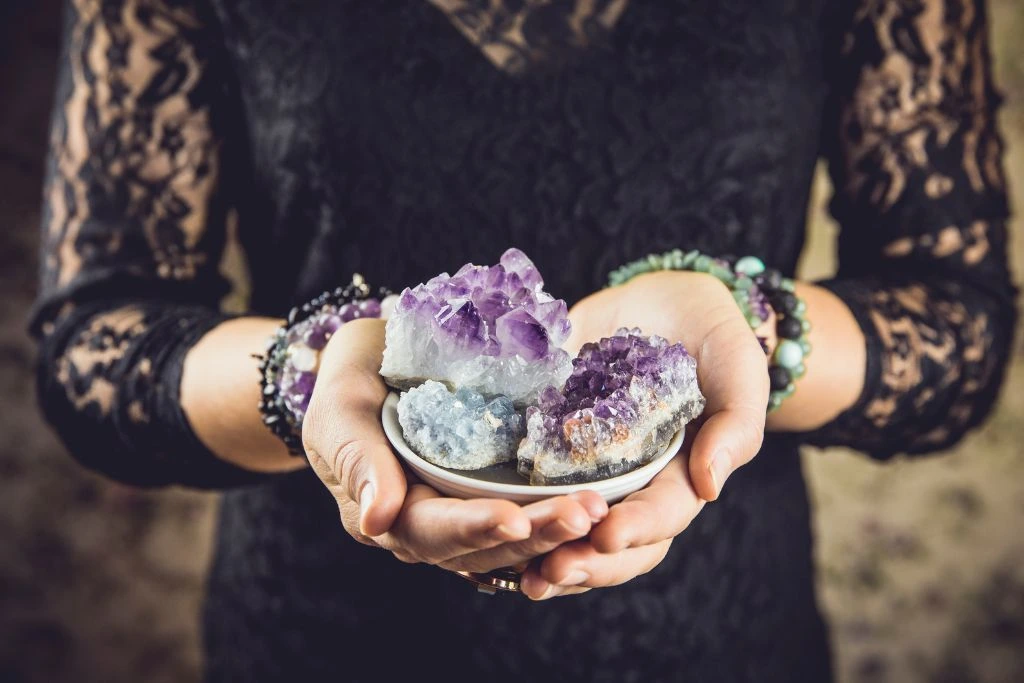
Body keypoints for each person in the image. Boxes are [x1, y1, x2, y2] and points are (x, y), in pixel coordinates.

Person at [31, 0, 1015, 681]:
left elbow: (957, 325)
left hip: (716, 636)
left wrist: (750, 325)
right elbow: (95, 342)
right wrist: (315, 372)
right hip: (325, 629)